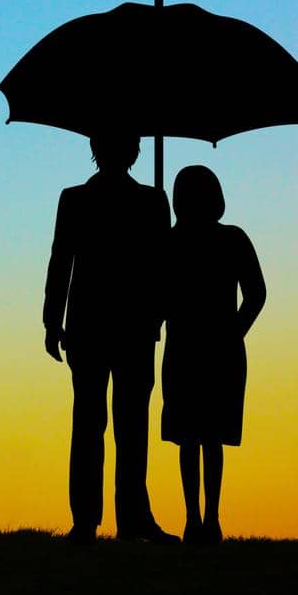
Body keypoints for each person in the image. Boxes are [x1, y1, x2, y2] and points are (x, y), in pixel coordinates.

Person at [43, 132, 176, 543]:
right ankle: (116, 518)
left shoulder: (85, 199)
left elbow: (61, 261)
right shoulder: (150, 201)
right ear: (135, 150)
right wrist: (52, 321)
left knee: (96, 422)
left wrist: (52, 321)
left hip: (106, 324)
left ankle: (100, 519)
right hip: (118, 325)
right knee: (120, 423)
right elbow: (63, 259)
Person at [161, 165, 265, 545]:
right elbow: (257, 295)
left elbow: (256, 294)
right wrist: (232, 334)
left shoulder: (172, 242)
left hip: (194, 348)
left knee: (197, 436)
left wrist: (232, 334)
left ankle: (200, 518)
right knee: (203, 437)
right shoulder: (223, 240)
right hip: (206, 349)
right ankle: (205, 518)